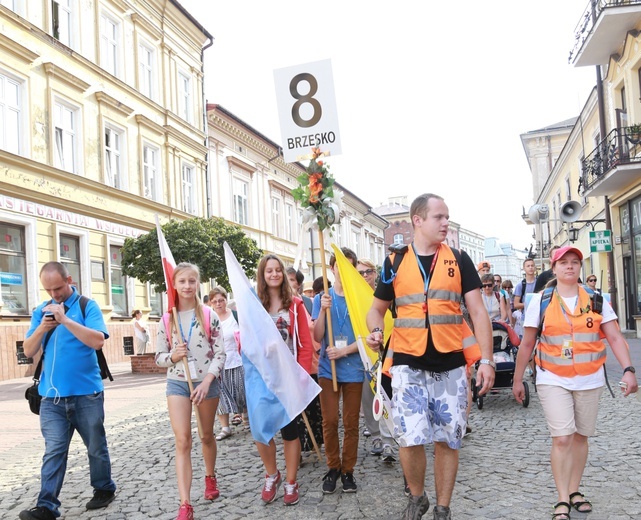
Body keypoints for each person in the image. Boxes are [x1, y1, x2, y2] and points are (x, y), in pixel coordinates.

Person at [366, 193, 494, 520]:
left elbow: (478, 313)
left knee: (448, 440)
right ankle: (418, 496)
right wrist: (375, 330)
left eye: (447, 217)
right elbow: (375, 311)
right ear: (417, 221)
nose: (445, 223)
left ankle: (442, 508)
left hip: (450, 362)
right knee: (409, 438)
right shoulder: (394, 262)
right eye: (439, 217)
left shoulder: (460, 259)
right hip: (407, 361)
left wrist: (487, 360)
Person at [512, 246, 638, 520]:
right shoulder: (542, 300)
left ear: (580, 268)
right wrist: (517, 378)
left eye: (575, 263)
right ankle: (561, 499)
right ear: (554, 268)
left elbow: (615, 338)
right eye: (564, 263)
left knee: (581, 437)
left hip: (590, 378)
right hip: (552, 378)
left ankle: (574, 490)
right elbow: (527, 344)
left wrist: (629, 370)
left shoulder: (595, 299)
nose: (570, 267)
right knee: (562, 438)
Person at [20, 262, 117, 520]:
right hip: (51, 398)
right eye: (48, 289)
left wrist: (65, 320)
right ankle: (46, 506)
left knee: (96, 447)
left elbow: (97, 340)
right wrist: (43, 326)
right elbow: (28, 350)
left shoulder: (87, 306)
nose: (54, 294)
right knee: (54, 450)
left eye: (58, 287)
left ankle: (104, 488)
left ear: (69, 279)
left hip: (87, 394)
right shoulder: (41, 311)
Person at [155, 263, 226, 520]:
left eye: (192, 281)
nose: (187, 286)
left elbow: (220, 354)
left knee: (206, 435)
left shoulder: (208, 315)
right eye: (182, 281)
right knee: (183, 439)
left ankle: (210, 476)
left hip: (206, 382)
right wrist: (173, 356)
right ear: (174, 285)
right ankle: (185, 503)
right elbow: (159, 357)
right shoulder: (167, 319)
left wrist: (207, 381)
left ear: (198, 284)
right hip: (177, 382)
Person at [255, 254, 314, 506]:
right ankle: (272, 474)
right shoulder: (255, 304)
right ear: (263, 274)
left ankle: (291, 481)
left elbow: (305, 345)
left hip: (288, 377)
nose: (275, 274)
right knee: (262, 431)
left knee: (291, 432)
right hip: (262, 377)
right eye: (269, 271)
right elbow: (246, 339)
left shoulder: (296, 304)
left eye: (278, 270)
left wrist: (300, 376)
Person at [313, 247, 364, 495]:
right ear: (332, 269)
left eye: (348, 266)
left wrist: (344, 351)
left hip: (353, 368)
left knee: (351, 423)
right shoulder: (322, 298)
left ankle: (348, 470)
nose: (342, 270)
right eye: (338, 266)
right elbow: (318, 335)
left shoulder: (359, 298)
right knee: (330, 420)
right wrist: (322, 310)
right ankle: (333, 467)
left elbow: (366, 338)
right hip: (327, 369)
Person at [357, 258, 396, 461]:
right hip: (363, 354)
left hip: (388, 352)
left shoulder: (384, 293)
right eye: (360, 273)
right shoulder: (354, 297)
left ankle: (388, 440)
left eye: (368, 272)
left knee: (387, 395)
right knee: (369, 397)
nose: (364, 276)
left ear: (375, 273)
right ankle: (375, 436)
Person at [209, 287, 246, 441]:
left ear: (226, 300)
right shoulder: (209, 319)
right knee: (220, 395)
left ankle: (246, 418)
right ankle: (225, 427)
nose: (219, 303)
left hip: (237, 359)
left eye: (221, 300)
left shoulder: (235, 316)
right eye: (215, 301)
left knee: (241, 392)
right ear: (211, 303)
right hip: (218, 363)